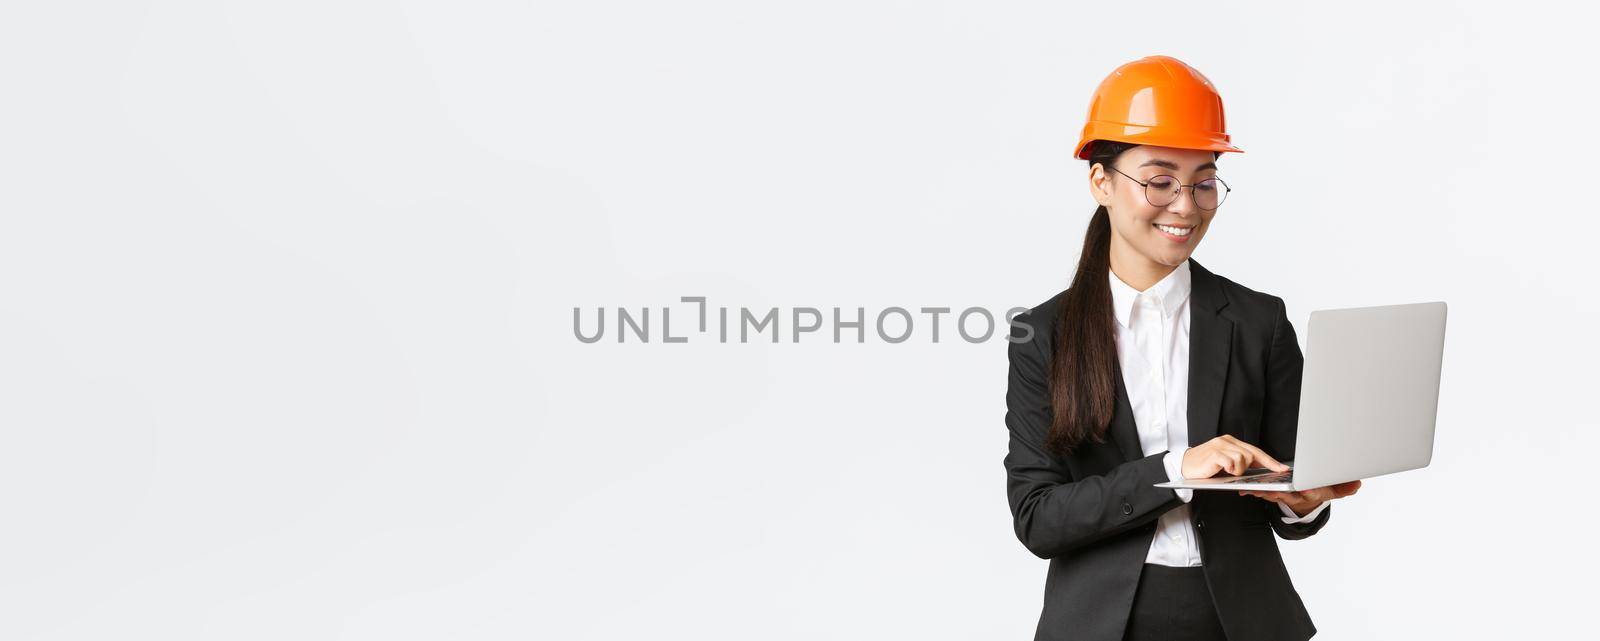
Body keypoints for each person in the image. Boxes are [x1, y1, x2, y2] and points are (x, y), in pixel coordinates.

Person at [1002, 56, 1362, 641]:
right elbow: (1038, 518)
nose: (1186, 205)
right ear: (1101, 181)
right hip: (1100, 622)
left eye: (1203, 182)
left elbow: (1290, 500)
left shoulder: (1258, 321)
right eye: (1159, 180)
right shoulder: (1044, 335)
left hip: (1241, 619)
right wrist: (1176, 469)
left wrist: (1305, 501)